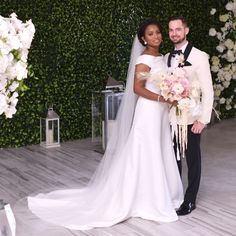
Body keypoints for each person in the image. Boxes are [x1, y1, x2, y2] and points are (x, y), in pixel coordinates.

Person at [25, 19, 183, 230]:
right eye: (151, 34)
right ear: (143, 38)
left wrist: (172, 93)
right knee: (147, 149)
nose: (156, 36)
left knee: (161, 147)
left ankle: (164, 192)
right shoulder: (145, 58)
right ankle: (148, 198)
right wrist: (162, 98)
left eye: (158, 33)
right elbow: (137, 88)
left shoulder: (161, 57)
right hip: (149, 111)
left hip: (160, 113)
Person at [165, 16, 214, 216]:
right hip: (172, 118)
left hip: (192, 117)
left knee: (192, 159)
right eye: (171, 30)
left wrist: (203, 119)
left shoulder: (199, 56)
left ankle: (190, 200)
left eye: (178, 29)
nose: (174, 33)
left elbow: (208, 90)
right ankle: (176, 196)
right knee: (173, 159)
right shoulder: (166, 57)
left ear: (186, 30)